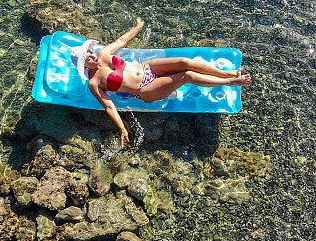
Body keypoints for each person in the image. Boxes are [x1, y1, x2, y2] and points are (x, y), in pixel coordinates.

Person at [77, 18, 251, 148]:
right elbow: (109, 107)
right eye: (88, 58)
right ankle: (230, 81)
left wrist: (137, 27)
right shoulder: (94, 83)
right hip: (146, 90)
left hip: (148, 68)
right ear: (83, 65)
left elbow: (121, 41)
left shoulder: (103, 54)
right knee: (187, 75)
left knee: (185, 62)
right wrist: (122, 128)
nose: (92, 56)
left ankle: (224, 72)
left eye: (90, 52)